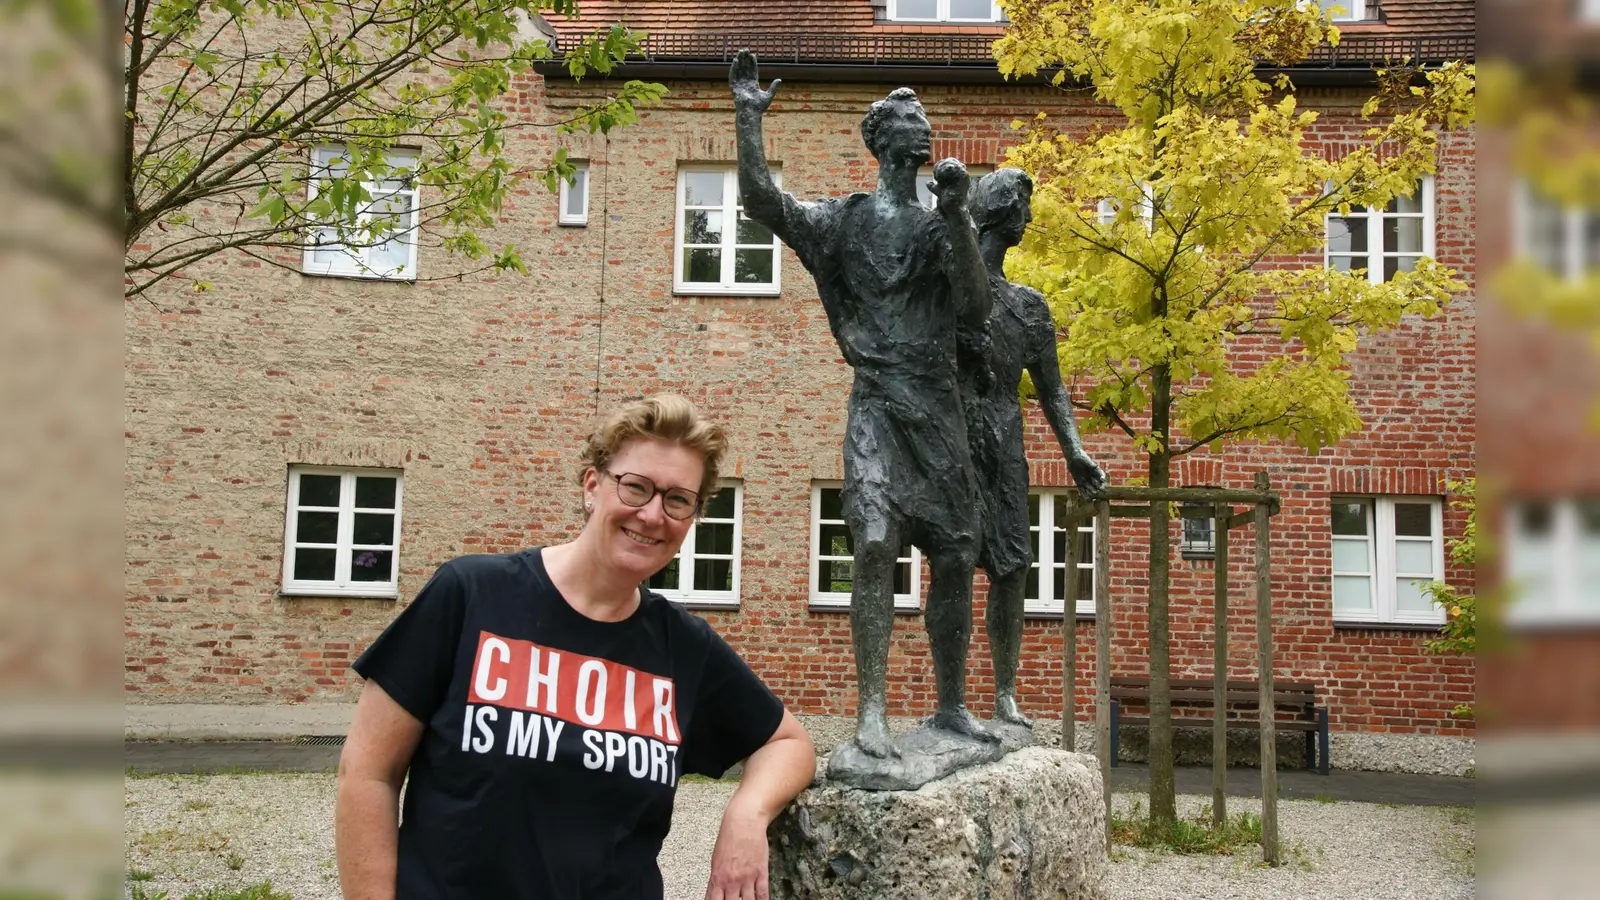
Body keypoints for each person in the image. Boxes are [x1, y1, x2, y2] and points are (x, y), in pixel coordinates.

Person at [335, 394, 815, 900]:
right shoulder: (470, 594)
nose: (653, 514)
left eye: (678, 499)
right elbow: (368, 772)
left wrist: (747, 813)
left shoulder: (684, 648)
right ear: (592, 485)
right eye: (636, 487)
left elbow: (788, 744)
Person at [729, 50, 996, 762]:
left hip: (936, 405)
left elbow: (975, 306)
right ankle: (871, 714)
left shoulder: (943, 223)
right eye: (909, 118)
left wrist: (961, 215)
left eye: (925, 118)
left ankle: (950, 705)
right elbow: (762, 203)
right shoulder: (842, 223)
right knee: (874, 543)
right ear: (880, 138)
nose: (923, 127)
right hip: (877, 401)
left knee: (956, 551)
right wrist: (750, 121)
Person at [959, 169, 1108, 727]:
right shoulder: (951, 293)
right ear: (998, 210)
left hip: (1005, 441)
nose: (1029, 215)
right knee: (953, 564)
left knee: (1012, 568)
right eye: (1021, 204)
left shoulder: (1030, 307)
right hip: (954, 437)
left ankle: (1003, 692)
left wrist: (1074, 451)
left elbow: (1053, 389)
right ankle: (951, 701)